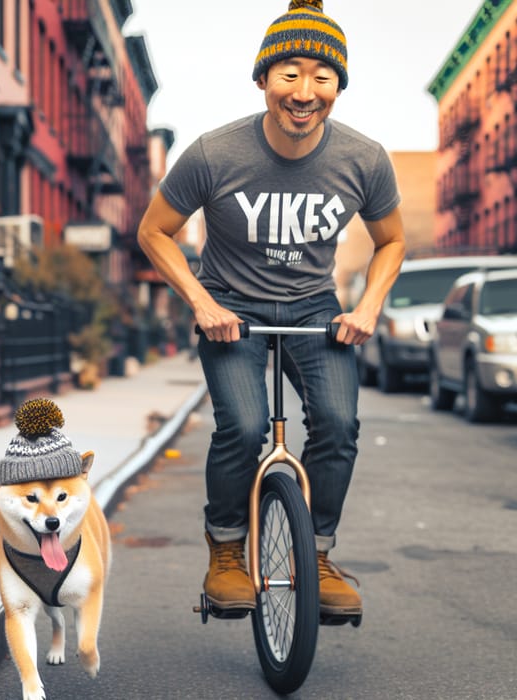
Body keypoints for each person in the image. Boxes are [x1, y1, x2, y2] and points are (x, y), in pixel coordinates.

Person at [137, 0, 405, 617]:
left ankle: (316, 552)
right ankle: (227, 549)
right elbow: (155, 232)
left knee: (338, 427)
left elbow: (392, 240)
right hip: (230, 306)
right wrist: (201, 301)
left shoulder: (363, 159)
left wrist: (367, 306)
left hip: (315, 308)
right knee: (245, 424)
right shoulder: (213, 154)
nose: (304, 91)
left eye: (322, 76)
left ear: (338, 85)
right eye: (289, 73)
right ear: (263, 80)